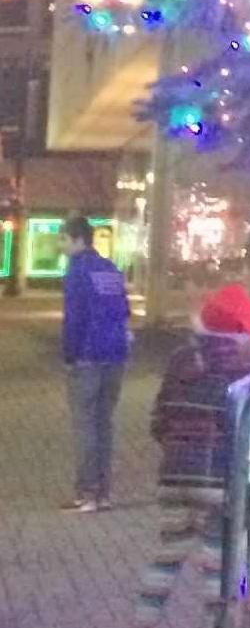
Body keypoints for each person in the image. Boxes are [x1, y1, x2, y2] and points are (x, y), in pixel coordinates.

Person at [119, 283, 250, 628]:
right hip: (222, 483)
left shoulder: (179, 361)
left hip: (174, 477)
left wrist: (176, 452)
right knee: (217, 568)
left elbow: (160, 418)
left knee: (166, 558)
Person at [60, 214, 130, 512]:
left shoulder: (77, 272)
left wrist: (69, 355)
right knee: (104, 423)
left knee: (85, 425)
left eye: (63, 239)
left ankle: (86, 493)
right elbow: (124, 310)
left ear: (78, 240)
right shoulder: (110, 269)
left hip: (87, 357)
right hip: (115, 356)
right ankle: (103, 492)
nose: (59, 245)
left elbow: (74, 319)